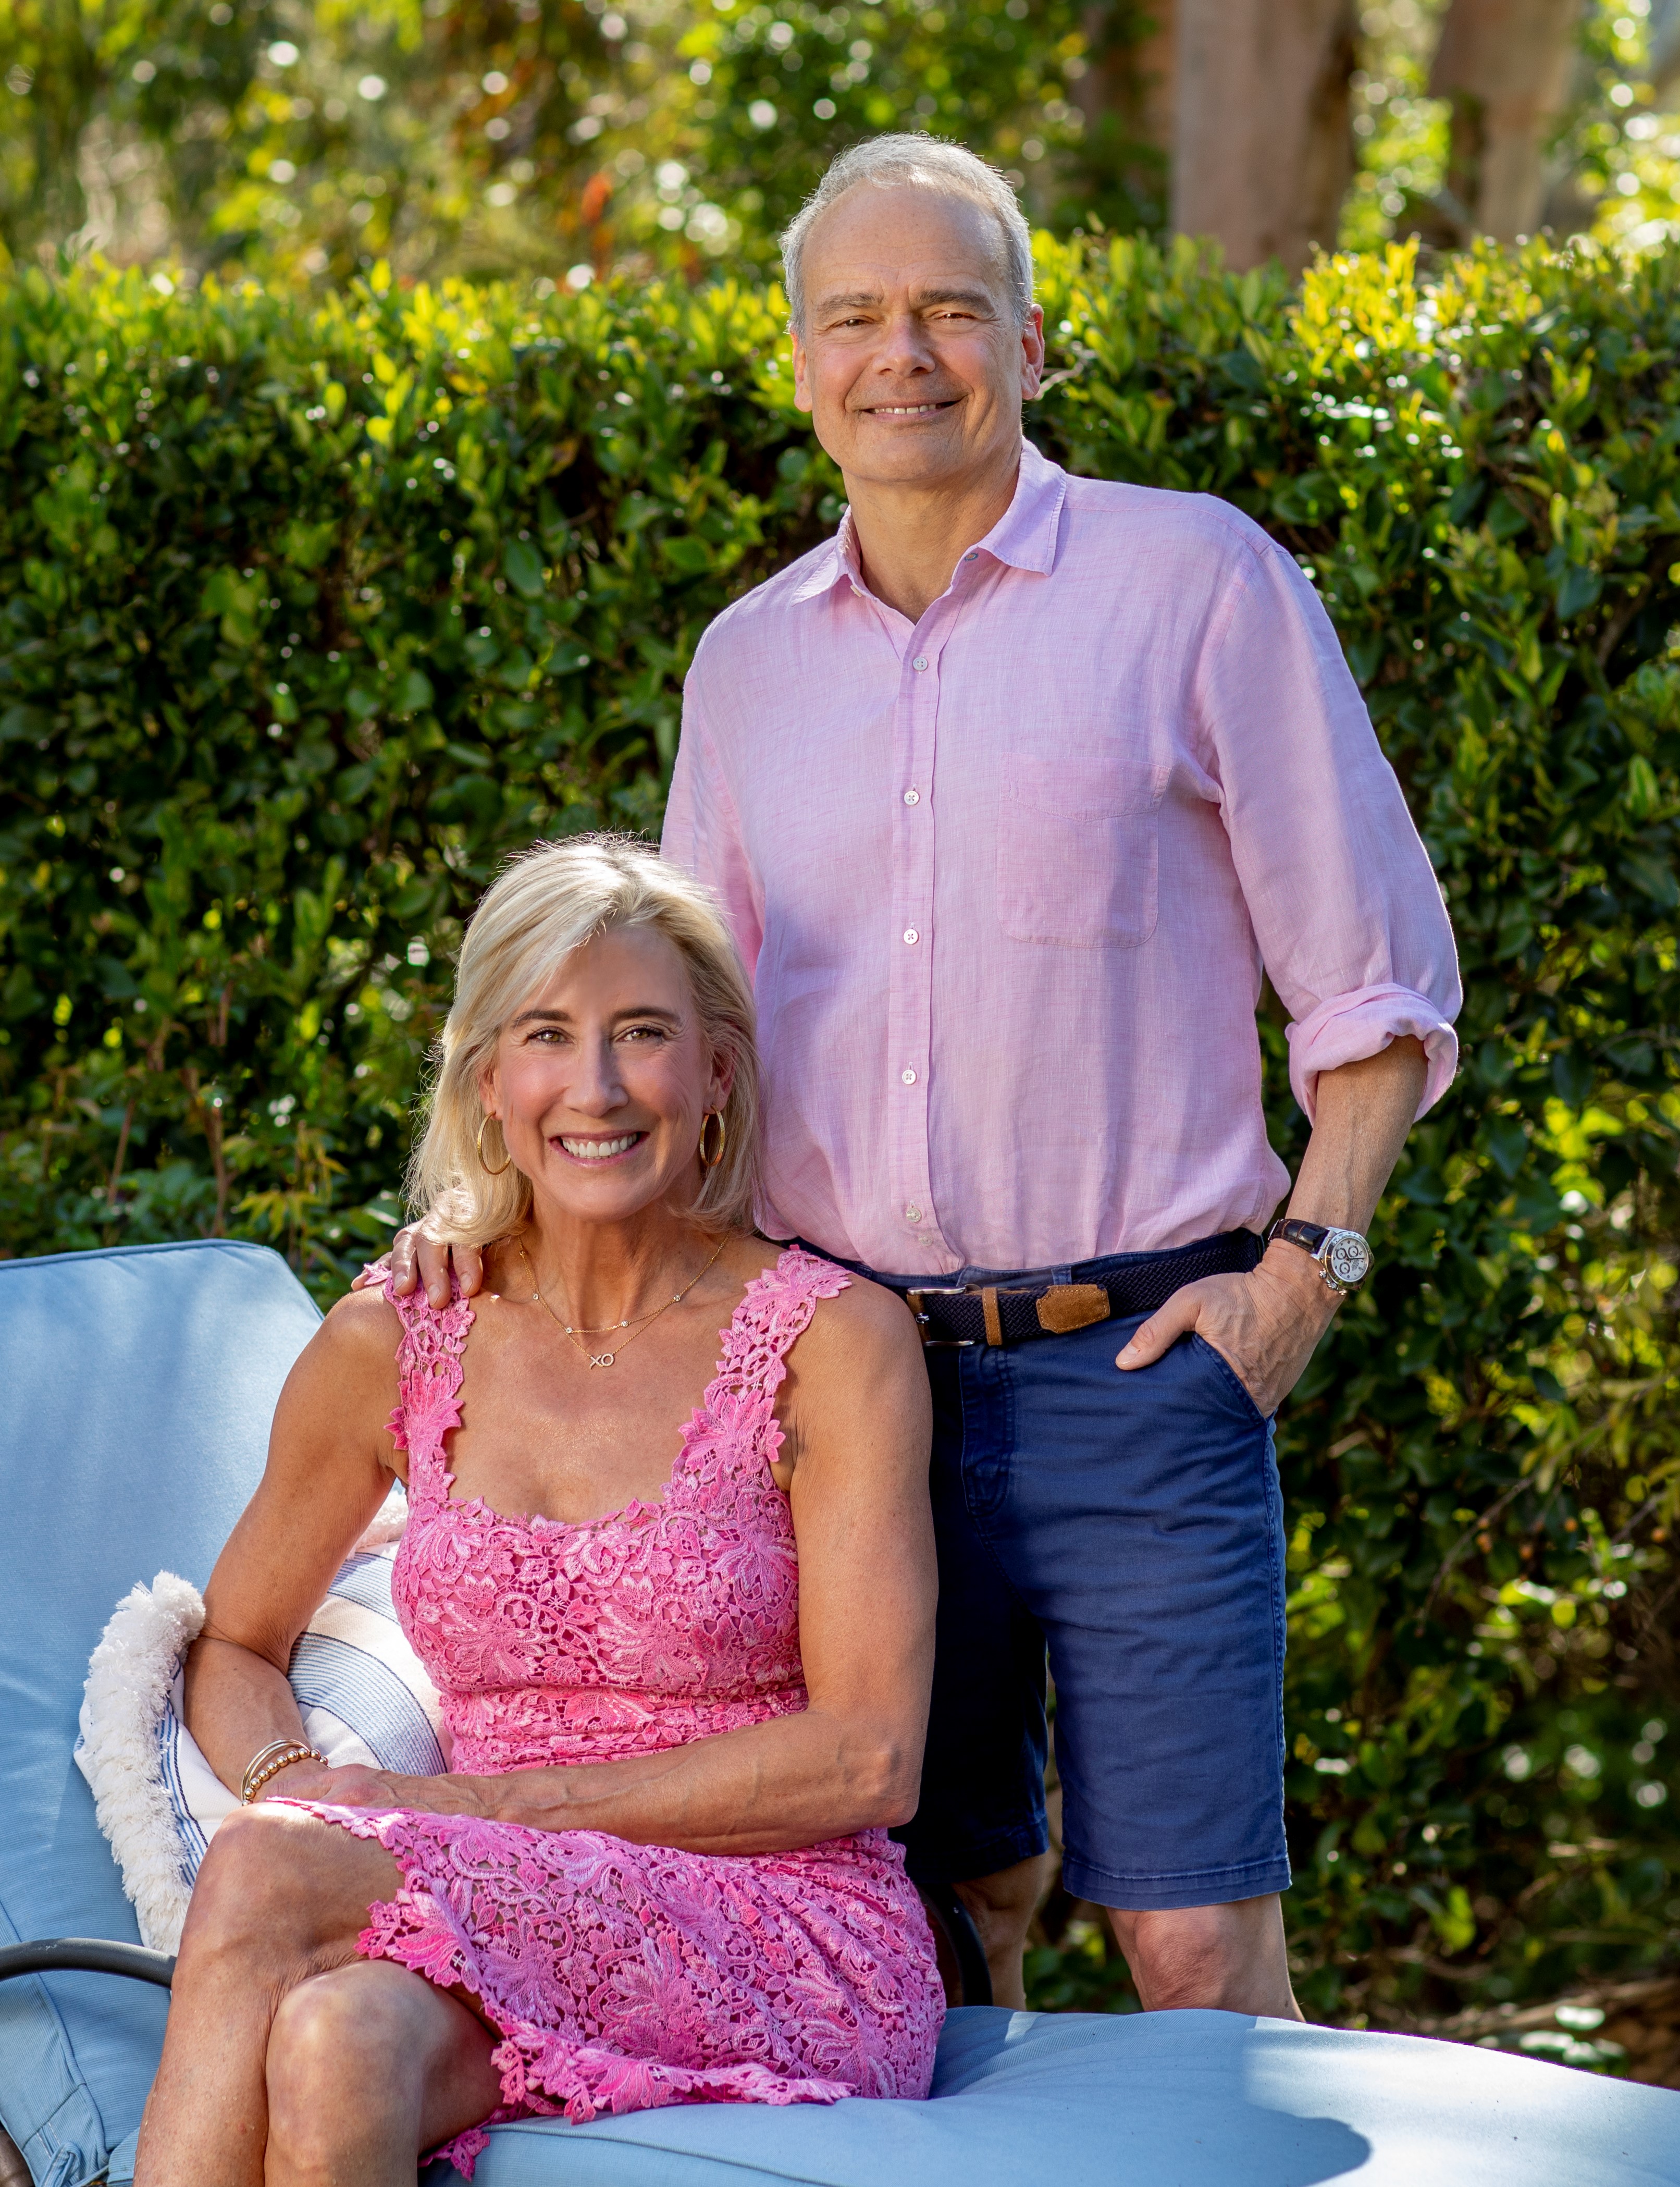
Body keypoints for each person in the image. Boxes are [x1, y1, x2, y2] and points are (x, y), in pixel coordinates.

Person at [385, 135, 1461, 2019]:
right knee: (932, 1915)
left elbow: (1375, 991)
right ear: (802, 366)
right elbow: (668, 1049)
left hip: (1141, 1368)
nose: (908, 354)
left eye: (953, 310)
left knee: (1198, 1937)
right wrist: (512, 1244)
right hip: (840, 1386)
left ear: (1033, 348)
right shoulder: (746, 667)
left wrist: (1307, 1277)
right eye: (859, 318)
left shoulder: (1196, 580)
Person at [136, 838, 943, 2186]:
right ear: (488, 1079)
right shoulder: (398, 1334)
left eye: (644, 1034)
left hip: (783, 1919)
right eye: (550, 1035)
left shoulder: (837, 1340)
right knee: (338, 2038)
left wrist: (439, 1810)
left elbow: (869, 1762)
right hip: (486, 1907)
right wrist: (302, 1784)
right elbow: (232, 1644)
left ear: (717, 1075)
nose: (601, 1086)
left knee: (273, 1873)